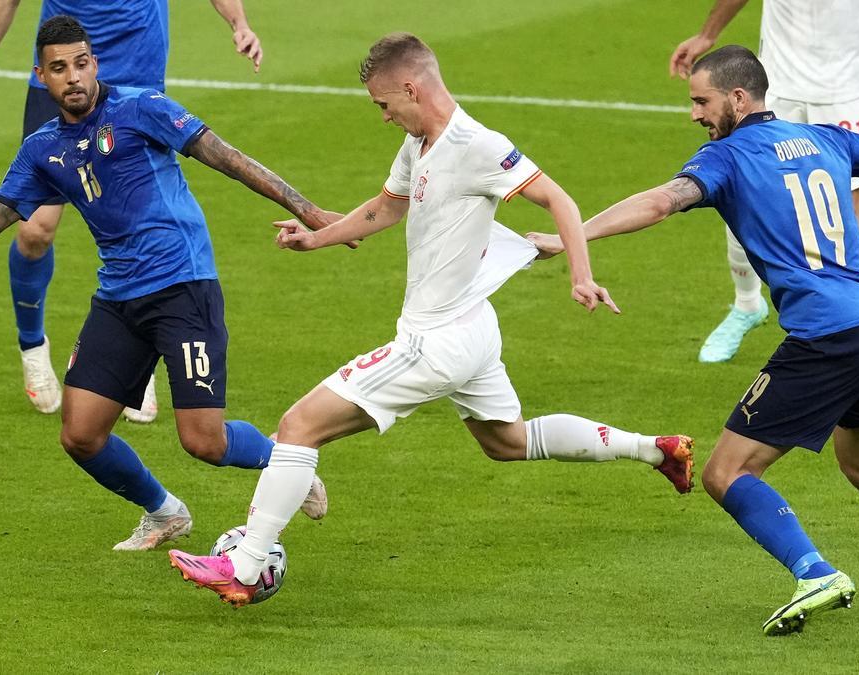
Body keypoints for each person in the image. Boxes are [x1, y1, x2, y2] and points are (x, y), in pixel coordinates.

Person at [529, 46, 859, 635]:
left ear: (738, 97)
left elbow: (659, 203)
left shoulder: (723, 158)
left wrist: (570, 237)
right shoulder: (825, 138)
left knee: (725, 473)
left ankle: (815, 572)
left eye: (701, 100)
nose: (694, 113)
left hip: (828, 336)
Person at [166, 32, 696, 607]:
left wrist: (580, 273)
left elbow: (560, 202)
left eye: (384, 104)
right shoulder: (419, 144)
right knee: (508, 442)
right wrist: (318, 238)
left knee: (298, 426)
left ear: (411, 88)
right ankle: (656, 450)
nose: (385, 116)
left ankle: (244, 566)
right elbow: (385, 208)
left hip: (435, 340)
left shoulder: (477, 145)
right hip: (473, 329)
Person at [0, 16, 333, 551]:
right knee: (80, 435)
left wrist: (305, 207)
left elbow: (227, 158)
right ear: (42, 77)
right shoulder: (43, 148)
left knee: (204, 441)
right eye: (59, 69)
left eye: (81, 63)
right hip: (119, 298)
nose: (73, 77)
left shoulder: (141, 108)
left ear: (94, 63)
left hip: (183, 287)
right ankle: (165, 512)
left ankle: (286, 462)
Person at [0, 0, 265, 422]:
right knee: (35, 231)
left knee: (136, 213)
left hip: (136, 66)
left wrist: (238, 22)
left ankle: (140, 355)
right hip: (59, 71)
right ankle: (32, 345)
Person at [668, 0, 859, 363]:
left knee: (848, 210)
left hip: (847, 84)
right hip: (778, 79)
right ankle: (746, 305)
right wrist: (708, 34)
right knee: (741, 189)